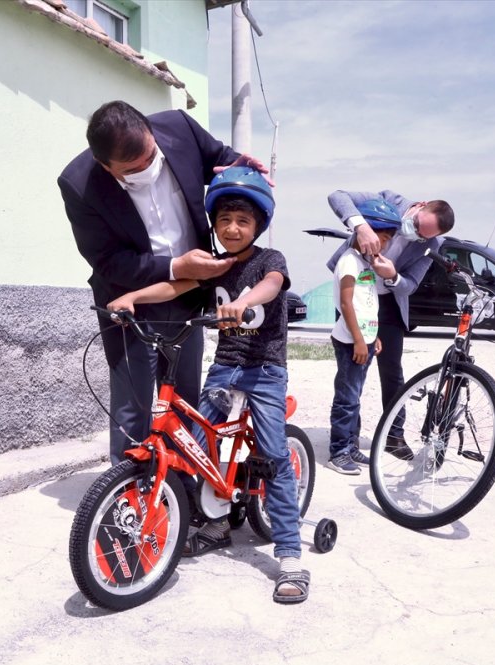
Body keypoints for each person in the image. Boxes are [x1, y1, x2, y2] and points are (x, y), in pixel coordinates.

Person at [108, 168, 309, 605]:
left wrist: (242, 301)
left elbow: (272, 287)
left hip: (264, 371)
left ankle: (291, 556)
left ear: (258, 226)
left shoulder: (269, 262)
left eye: (243, 221)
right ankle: (216, 523)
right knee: (196, 448)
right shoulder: (216, 265)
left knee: (274, 456)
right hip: (224, 369)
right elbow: (175, 285)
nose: (232, 228)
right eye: (224, 221)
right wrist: (135, 298)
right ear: (214, 224)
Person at [58, 101, 269, 464]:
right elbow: (107, 261)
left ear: (151, 134)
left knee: (184, 398)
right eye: (131, 170)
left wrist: (243, 167)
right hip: (129, 303)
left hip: (189, 295)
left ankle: (184, 491)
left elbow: (220, 158)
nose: (146, 170)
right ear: (104, 165)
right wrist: (175, 265)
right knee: (133, 405)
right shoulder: (79, 184)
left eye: (149, 157)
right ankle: (129, 499)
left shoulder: (178, 128)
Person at [326, 190, 455, 460]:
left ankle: (393, 435)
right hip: (355, 297)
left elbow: (411, 285)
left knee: (393, 373)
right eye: (417, 225)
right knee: (351, 373)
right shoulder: (388, 202)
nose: (417, 234)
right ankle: (347, 439)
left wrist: (394, 276)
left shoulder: (433, 244)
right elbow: (337, 196)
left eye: (424, 235)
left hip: (387, 306)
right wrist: (360, 227)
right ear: (419, 206)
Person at [327, 201, 401, 475]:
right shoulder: (348, 260)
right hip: (350, 341)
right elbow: (346, 304)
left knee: (355, 396)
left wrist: (373, 336)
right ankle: (338, 452)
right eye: (382, 238)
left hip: (364, 339)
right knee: (346, 398)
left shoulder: (364, 262)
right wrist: (359, 340)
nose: (383, 245)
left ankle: (351, 445)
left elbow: (366, 302)